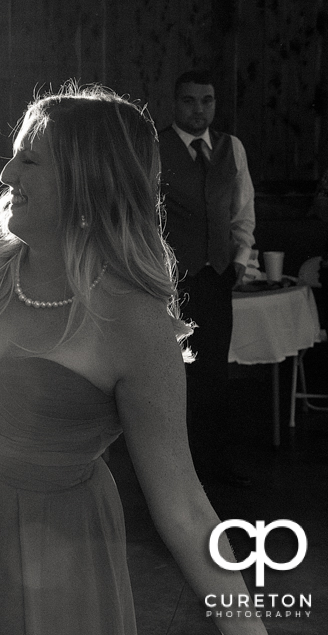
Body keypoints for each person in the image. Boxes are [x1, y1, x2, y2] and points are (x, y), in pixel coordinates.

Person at [0, 84, 266, 634]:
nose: (6, 175)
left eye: (29, 160)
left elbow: (184, 507)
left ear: (89, 180)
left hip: (56, 549)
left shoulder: (136, 324)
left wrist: (246, 627)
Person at [158, 70, 256, 487]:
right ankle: (175, 476)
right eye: (190, 101)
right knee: (172, 377)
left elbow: (242, 208)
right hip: (170, 282)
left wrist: (240, 257)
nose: (199, 109)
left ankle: (215, 468)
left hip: (216, 276)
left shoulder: (231, 148)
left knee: (215, 375)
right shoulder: (154, 147)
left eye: (207, 101)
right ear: (175, 103)